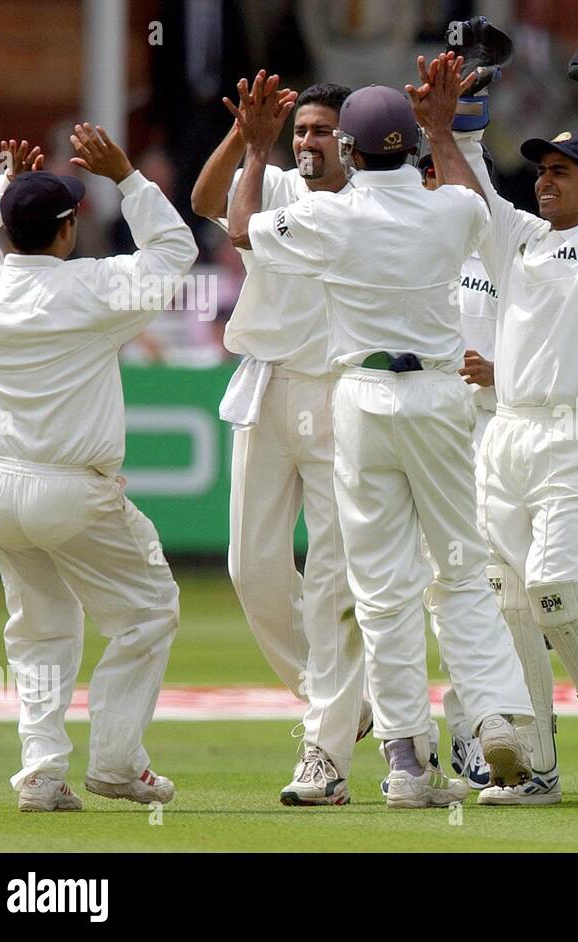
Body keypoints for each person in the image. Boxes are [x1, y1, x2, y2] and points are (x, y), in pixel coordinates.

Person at [227, 66, 535, 809]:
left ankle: (405, 763)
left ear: (352, 153)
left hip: (359, 397)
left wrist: (256, 147)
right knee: (459, 567)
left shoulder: (332, 215)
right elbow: (481, 209)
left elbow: (239, 228)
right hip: (437, 393)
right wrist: (442, 129)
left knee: (381, 591)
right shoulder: (447, 209)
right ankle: (494, 713)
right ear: (411, 156)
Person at [437, 15, 578, 804]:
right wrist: (469, 93)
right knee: (507, 600)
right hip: (504, 433)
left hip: (568, 433)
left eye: (564, 172)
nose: (545, 179)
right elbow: (469, 178)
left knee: (556, 593)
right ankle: (534, 762)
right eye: (540, 170)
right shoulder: (519, 239)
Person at [0, 130, 198, 811]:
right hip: (71, 487)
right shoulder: (93, 289)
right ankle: (118, 763)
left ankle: (40, 772)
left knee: (39, 629)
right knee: (148, 611)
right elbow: (174, 251)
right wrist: (129, 178)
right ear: (66, 233)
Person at [192, 74, 370, 806]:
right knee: (251, 566)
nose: (308, 143)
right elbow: (208, 205)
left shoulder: (373, 203)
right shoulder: (275, 183)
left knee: (331, 580)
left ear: (350, 141)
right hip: (268, 384)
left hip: (339, 392)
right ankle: (346, 704)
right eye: (301, 132)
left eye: (321, 131)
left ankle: (324, 756)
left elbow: (232, 229)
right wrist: (247, 140)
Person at [417, 145, 502, 789]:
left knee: (487, 588)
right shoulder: (397, 247)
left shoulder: (500, 253)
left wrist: (497, 377)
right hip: (413, 428)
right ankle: (434, 736)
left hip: (486, 433)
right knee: (424, 587)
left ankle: (487, 726)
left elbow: (537, 342)